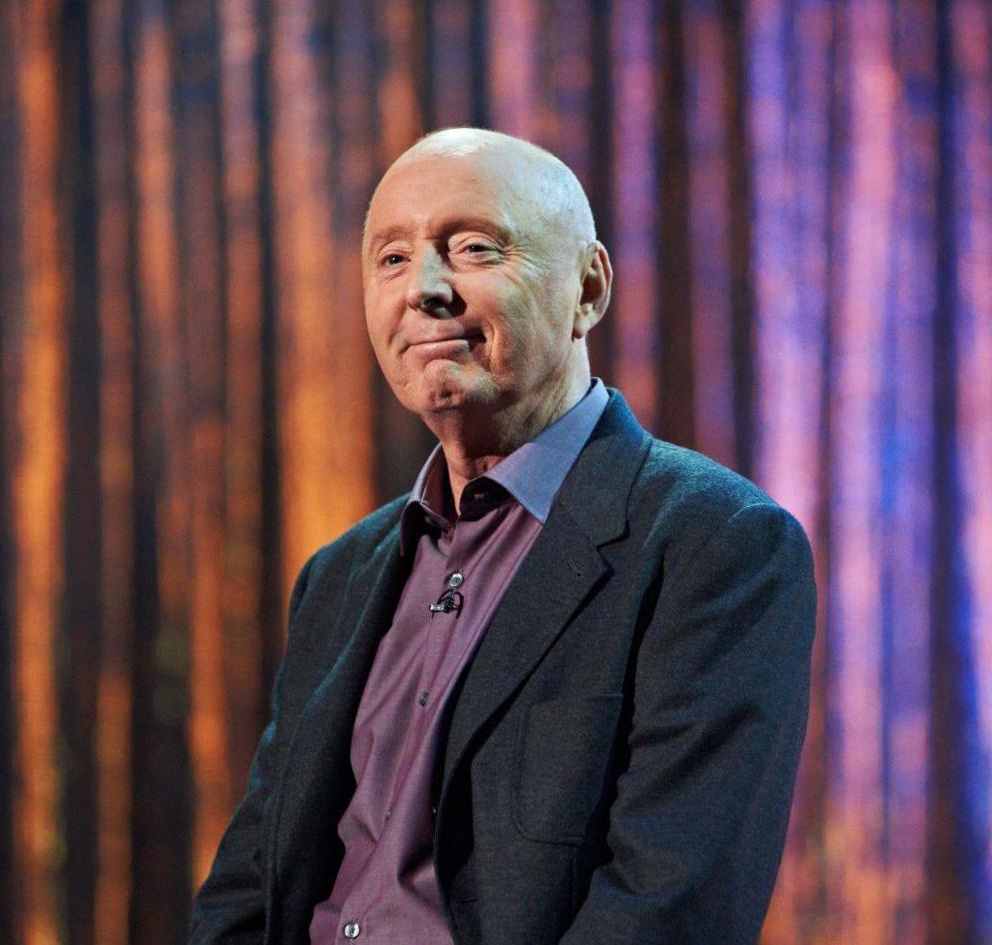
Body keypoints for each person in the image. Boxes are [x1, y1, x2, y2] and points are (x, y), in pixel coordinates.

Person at [189, 127, 815, 945]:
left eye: (475, 248)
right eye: (391, 259)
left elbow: (670, 908)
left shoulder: (714, 543)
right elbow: (247, 890)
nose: (425, 290)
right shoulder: (339, 575)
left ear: (588, 289)